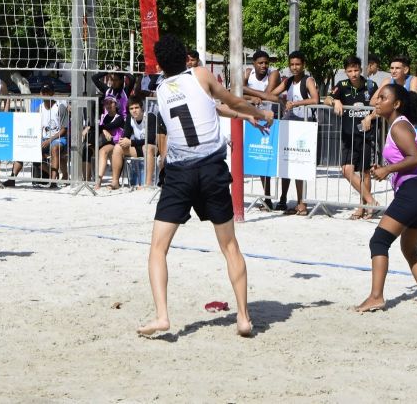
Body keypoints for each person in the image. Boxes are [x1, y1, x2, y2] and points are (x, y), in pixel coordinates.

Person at [137, 34, 273, 338]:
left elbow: (206, 109)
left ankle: (162, 316)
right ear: (188, 57)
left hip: (179, 173)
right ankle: (243, 317)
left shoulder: (160, 91)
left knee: (158, 249)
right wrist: (258, 112)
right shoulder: (200, 74)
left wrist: (241, 115)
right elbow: (228, 101)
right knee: (229, 246)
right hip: (211, 169)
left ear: (160, 65)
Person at [355, 83, 417, 312]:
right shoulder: (398, 125)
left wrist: (387, 170)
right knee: (409, 249)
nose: (377, 101)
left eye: (383, 98)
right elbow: (408, 160)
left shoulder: (399, 127)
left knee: (379, 241)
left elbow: (415, 158)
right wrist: (386, 168)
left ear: (397, 104)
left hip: (413, 192)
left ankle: (376, 296)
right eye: (378, 97)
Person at [324, 56, 380, 220]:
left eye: (356, 70)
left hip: (367, 136)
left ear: (361, 70)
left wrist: (370, 117)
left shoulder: (371, 86)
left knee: (365, 173)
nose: (353, 74)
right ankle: (371, 202)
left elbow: (379, 107)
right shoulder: (341, 85)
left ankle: (363, 208)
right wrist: (335, 101)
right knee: (347, 170)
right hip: (348, 135)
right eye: (350, 71)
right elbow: (327, 98)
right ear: (345, 71)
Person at [269, 50, 320, 215]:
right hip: (290, 126)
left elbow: (315, 99)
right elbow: (272, 94)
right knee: (288, 163)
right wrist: (281, 100)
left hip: (304, 127)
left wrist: (296, 103)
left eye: (297, 64)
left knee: (301, 165)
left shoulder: (308, 80)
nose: (294, 67)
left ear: (303, 65)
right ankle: (286, 199)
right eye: (292, 64)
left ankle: (302, 203)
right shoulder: (288, 81)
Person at [243, 49, 281, 208]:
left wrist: (247, 91)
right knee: (256, 157)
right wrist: (251, 98)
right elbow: (235, 92)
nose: (264, 65)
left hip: (269, 119)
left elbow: (268, 95)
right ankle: (266, 197)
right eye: (260, 63)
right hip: (251, 117)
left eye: (266, 62)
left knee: (268, 159)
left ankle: (273, 197)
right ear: (254, 64)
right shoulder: (247, 72)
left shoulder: (274, 74)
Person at [11, 83, 68, 187]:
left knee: (55, 148)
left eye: (48, 92)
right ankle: (12, 177)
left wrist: (49, 140)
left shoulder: (60, 107)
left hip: (58, 138)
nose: (45, 94)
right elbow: (34, 126)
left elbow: (64, 129)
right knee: (27, 148)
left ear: (52, 93)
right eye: (43, 92)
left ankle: (53, 181)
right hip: (43, 138)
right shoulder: (39, 108)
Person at [111, 97, 159, 188]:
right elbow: (126, 136)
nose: (134, 111)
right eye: (131, 108)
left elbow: (151, 139)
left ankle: (147, 184)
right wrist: (123, 141)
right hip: (138, 147)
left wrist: (131, 142)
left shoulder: (150, 116)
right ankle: (115, 182)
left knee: (146, 147)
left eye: (136, 108)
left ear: (142, 108)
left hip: (153, 148)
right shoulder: (130, 118)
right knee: (118, 147)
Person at [94, 95, 126, 190]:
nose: (108, 105)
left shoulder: (120, 118)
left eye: (110, 102)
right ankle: (92, 179)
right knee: (95, 149)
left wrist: (103, 129)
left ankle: (101, 180)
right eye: (106, 103)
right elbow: (102, 128)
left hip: (119, 144)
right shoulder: (105, 117)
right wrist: (104, 130)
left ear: (116, 104)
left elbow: (110, 126)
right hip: (109, 143)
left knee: (103, 151)